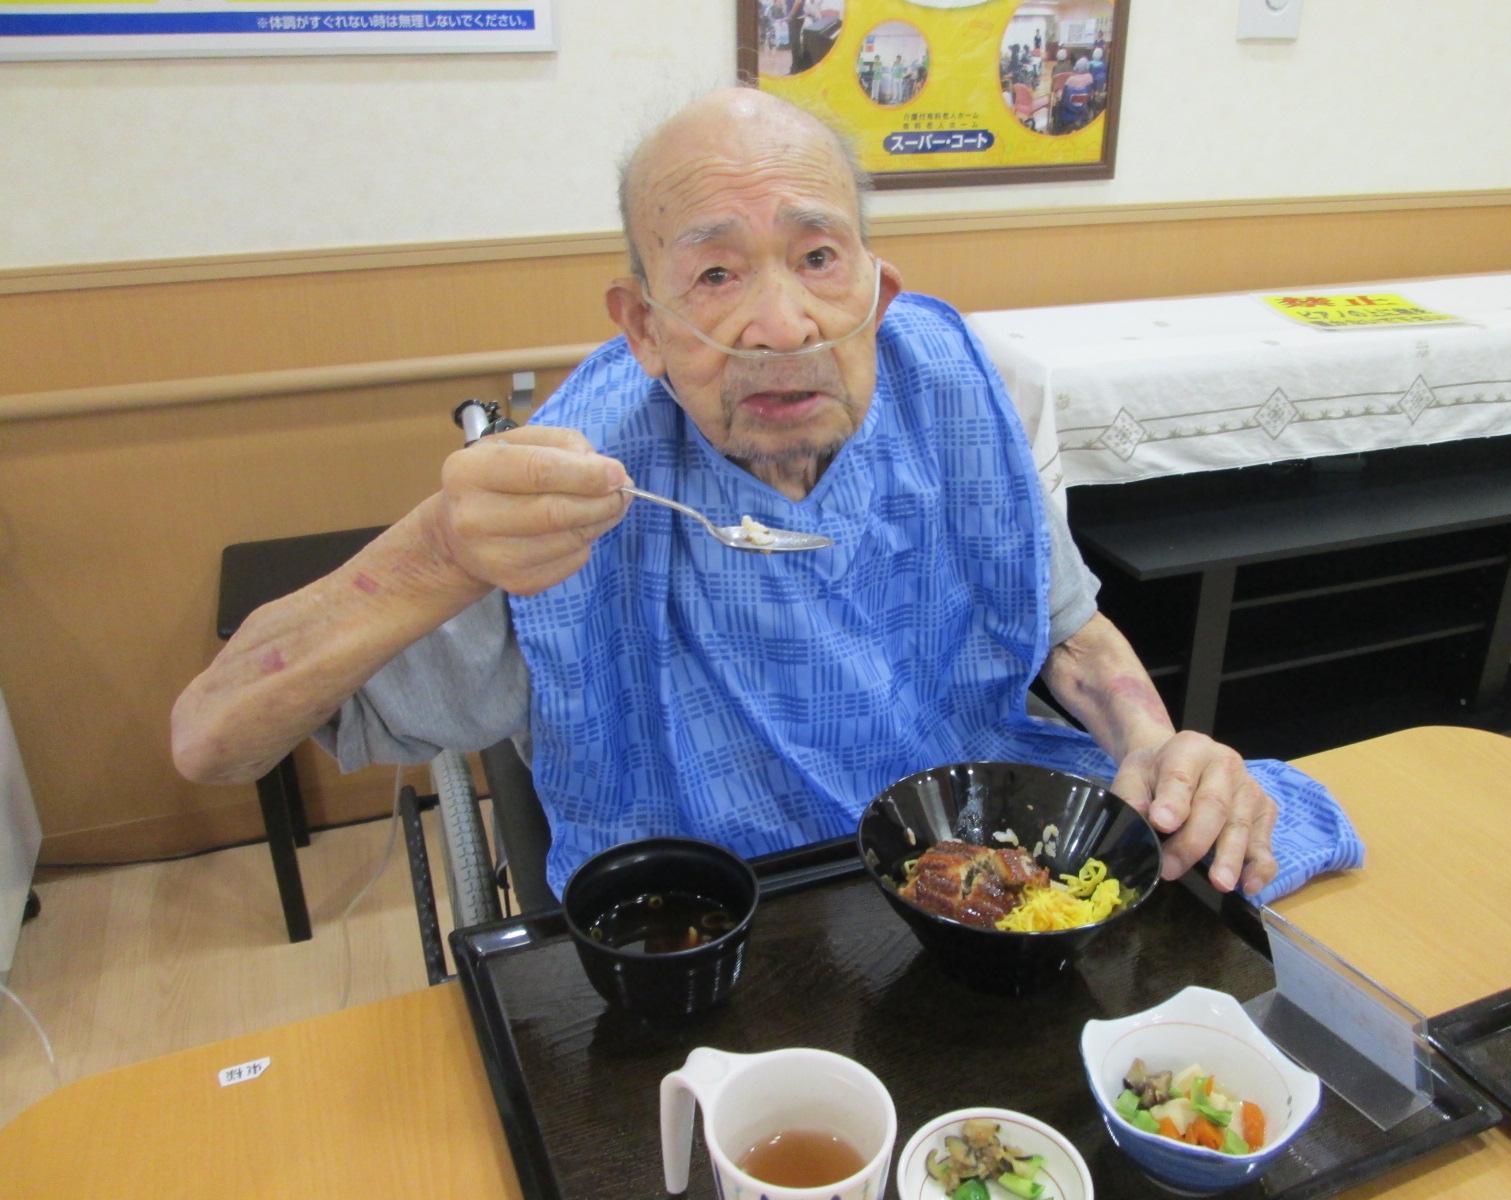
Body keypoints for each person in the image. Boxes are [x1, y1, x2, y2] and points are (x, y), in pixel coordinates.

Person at [172, 89, 1288, 900]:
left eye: (819, 258)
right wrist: (437, 553)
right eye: (714, 273)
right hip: (717, 915)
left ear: (878, 290)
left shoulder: (946, 389)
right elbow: (211, 741)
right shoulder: (574, 488)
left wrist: (1153, 744)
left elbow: (1070, 634)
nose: (782, 325)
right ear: (643, 327)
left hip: (979, 868)